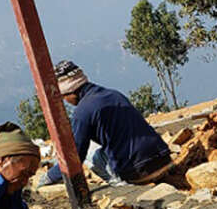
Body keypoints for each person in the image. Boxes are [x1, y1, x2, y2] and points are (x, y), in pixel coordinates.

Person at [39, 60, 172, 187]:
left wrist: (49, 177)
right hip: (164, 158)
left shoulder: (82, 111)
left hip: (138, 172)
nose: (65, 100)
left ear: (71, 92)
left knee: (91, 154)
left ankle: (121, 184)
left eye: (64, 96)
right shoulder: (114, 94)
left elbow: (76, 156)